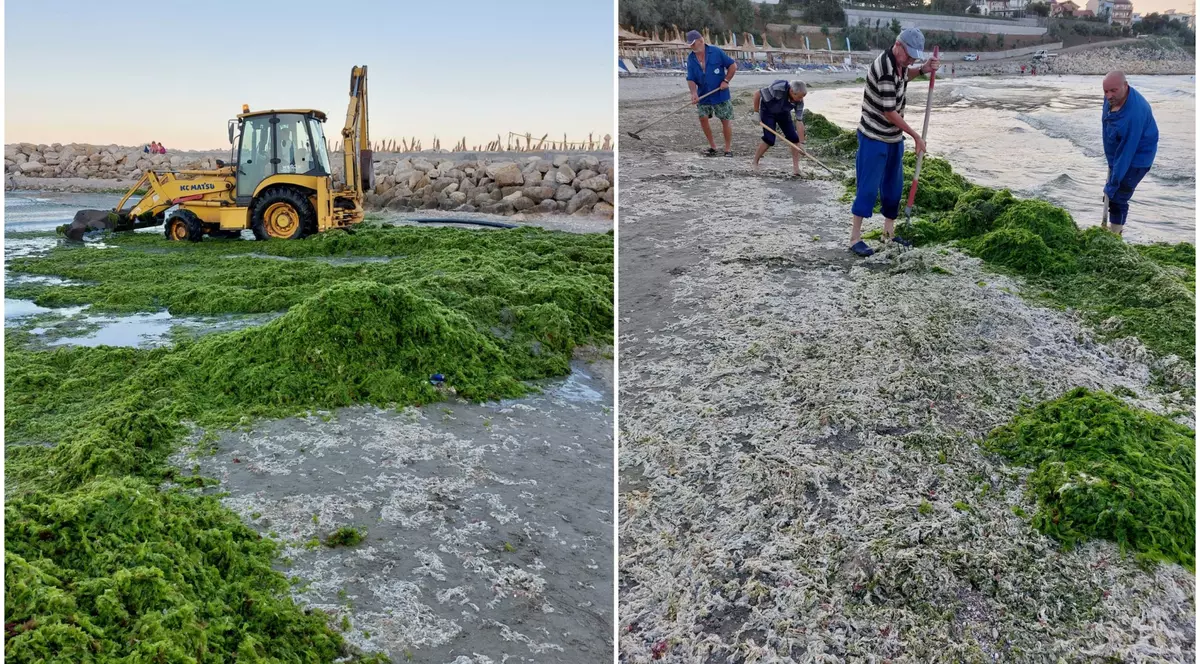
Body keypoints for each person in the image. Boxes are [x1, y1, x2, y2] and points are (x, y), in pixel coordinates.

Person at [848, 27, 939, 257]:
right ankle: (854, 238)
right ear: (897, 45)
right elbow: (889, 111)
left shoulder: (901, 64)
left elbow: (905, 76)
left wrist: (923, 69)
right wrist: (916, 135)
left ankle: (888, 233)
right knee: (867, 188)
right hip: (873, 136)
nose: (910, 60)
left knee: (893, 187)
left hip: (893, 138)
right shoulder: (884, 68)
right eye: (908, 55)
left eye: (914, 58)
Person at [1101, 71, 1158, 236]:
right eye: (1106, 91)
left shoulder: (1135, 113)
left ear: (1125, 86)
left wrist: (1112, 184)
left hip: (1138, 158)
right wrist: (1111, 160)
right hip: (1120, 152)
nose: (1109, 95)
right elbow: (1106, 124)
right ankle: (1111, 230)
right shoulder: (1111, 99)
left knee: (1118, 196)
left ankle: (1115, 235)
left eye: (1113, 90)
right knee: (1112, 194)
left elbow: (1127, 152)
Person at [685, 30, 737, 157]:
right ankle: (713, 147)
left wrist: (726, 80)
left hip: (720, 93)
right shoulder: (691, 58)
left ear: (701, 41)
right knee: (703, 119)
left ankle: (727, 149)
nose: (691, 46)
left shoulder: (716, 52)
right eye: (690, 44)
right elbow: (690, 78)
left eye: (693, 43)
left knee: (725, 120)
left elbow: (732, 66)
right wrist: (693, 93)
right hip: (703, 94)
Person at [751, 79, 807, 176]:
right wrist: (756, 112)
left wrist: (801, 143)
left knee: (794, 139)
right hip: (768, 111)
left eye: (803, 97)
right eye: (799, 97)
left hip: (784, 113)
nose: (801, 99)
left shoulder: (799, 101)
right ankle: (755, 162)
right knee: (769, 139)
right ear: (791, 92)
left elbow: (799, 121)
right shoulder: (778, 88)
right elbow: (757, 94)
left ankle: (796, 169)